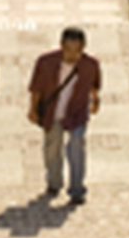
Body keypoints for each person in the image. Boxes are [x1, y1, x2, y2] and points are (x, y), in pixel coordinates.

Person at [26, 27, 102, 205]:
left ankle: (77, 189)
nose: (72, 55)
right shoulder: (46, 62)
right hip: (53, 112)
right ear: (61, 46)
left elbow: (94, 84)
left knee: (77, 144)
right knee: (52, 147)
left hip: (77, 111)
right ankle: (54, 181)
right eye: (68, 49)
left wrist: (95, 100)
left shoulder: (90, 64)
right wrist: (33, 109)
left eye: (77, 50)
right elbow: (36, 88)